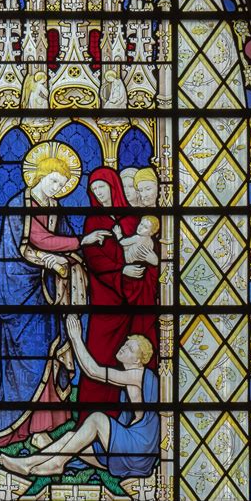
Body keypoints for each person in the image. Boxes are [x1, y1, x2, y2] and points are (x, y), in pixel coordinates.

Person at [0, 142, 86, 446]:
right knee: (27, 358)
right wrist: (66, 250)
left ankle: (43, 428)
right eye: (53, 181)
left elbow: (60, 241)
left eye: (62, 184)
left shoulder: (56, 208)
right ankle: (20, 426)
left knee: (49, 350)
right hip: (20, 294)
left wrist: (72, 258)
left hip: (47, 293)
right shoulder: (19, 205)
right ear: (38, 177)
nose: (57, 188)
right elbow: (36, 240)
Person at [0, 315, 160, 480]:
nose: (124, 347)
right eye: (126, 343)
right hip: (133, 454)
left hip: (137, 452)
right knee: (71, 437)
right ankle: (29, 463)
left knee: (97, 418)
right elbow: (89, 370)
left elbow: (94, 371)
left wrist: (76, 337)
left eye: (130, 349)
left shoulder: (138, 375)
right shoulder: (132, 378)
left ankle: (55, 463)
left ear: (138, 360)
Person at [78, 166, 140, 412]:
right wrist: (121, 271)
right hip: (104, 299)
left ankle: (117, 416)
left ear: (113, 186)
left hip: (132, 299)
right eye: (94, 190)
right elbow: (94, 260)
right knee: (99, 353)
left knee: (124, 359)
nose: (100, 194)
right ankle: (88, 416)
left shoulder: (131, 218)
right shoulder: (93, 220)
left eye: (102, 187)